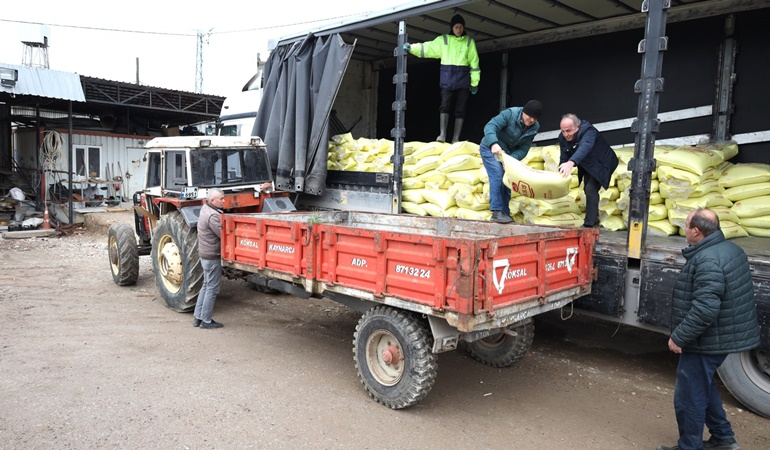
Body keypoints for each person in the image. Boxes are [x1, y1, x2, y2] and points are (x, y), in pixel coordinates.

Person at [657, 208, 760, 450]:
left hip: (707, 339)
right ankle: (724, 439)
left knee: (689, 396)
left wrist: (679, 337)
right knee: (701, 384)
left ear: (696, 231)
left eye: (685, 225)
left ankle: (689, 447)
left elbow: (705, 309)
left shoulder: (708, 259)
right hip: (721, 335)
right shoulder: (730, 249)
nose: (683, 229)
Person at [403, 13, 480, 143]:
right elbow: (427, 48)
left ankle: (455, 139)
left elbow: (474, 64)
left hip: (463, 81)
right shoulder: (443, 40)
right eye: (456, 27)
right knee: (445, 106)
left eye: (461, 27)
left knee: (460, 110)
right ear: (452, 28)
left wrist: (474, 83)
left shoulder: (469, 42)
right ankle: (442, 135)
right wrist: (411, 48)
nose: (459, 29)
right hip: (447, 79)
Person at [479, 100, 542, 223]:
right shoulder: (510, 114)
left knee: (508, 179)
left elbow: (524, 148)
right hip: (490, 148)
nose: (532, 120)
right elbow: (490, 126)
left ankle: (505, 213)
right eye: (530, 116)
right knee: (497, 174)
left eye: (535, 118)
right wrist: (493, 143)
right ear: (524, 112)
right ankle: (496, 211)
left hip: (507, 154)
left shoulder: (535, 127)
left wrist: (510, 160)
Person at [557, 113, 619, 228]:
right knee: (587, 188)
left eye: (568, 131)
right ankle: (594, 218)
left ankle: (589, 224)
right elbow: (564, 155)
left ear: (577, 127)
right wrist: (560, 171)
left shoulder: (589, 131)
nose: (565, 134)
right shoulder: (562, 137)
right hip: (587, 164)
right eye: (563, 131)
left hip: (602, 162)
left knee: (590, 189)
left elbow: (585, 147)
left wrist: (571, 162)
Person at [193, 188, 226, 329]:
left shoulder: (205, 209)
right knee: (212, 288)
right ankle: (206, 321)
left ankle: (198, 317)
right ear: (213, 201)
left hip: (205, 255)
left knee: (206, 285)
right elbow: (222, 234)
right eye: (221, 199)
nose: (224, 201)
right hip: (212, 256)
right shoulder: (213, 216)